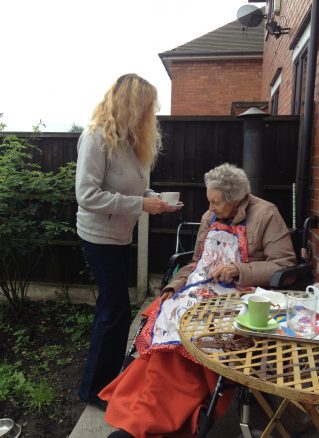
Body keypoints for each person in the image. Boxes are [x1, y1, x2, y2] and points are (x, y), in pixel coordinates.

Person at [98, 163, 296, 437]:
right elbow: (196, 263)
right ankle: (145, 400)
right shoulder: (209, 217)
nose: (210, 208)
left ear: (236, 198)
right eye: (209, 201)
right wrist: (174, 285)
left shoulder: (265, 214)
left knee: (195, 327)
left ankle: (165, 412)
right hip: (201, 288)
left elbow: (284, 265)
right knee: (168, 313)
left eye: (215, 202)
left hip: (239, 295)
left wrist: (240, 270)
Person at [75, 73, 182, 408]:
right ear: (129, 103)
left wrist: (155, 199)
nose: (148, 114)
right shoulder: (96, 137)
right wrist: (140, 204)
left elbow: (134, 189)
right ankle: (93, 389)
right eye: (145, 107)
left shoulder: (130, 142)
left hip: (119, 235)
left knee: (116, 309)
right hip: (98, 236)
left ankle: (106, 380)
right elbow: (87, 195)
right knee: (115, 308)